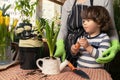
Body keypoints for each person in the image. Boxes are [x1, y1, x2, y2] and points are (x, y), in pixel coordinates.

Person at [54, 0, 120, 65]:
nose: (84, 23)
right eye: (83, 21)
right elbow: (63, 28)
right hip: (71, 50)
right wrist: (60, 45)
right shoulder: (69, 2)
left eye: (88, 20)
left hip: (96, 64)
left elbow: (111, 28)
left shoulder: (104, 1)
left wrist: (115, 45)